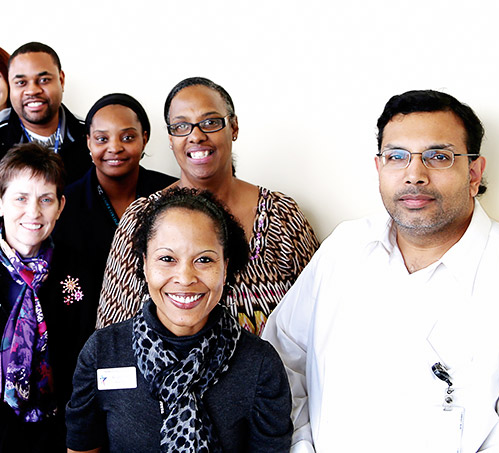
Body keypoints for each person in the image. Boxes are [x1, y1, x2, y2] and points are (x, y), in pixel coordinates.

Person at [261, 90, 499, 452]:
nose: (414, 175)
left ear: (474, 172)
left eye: (438, 157)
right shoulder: (344, 250)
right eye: (397, 157)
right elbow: (280, 364)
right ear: (379, 168)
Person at [66, 187, 292, 452]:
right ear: (145, 265)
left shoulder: (260, 364)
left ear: (225, 268)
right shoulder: (103, 352)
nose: (185, 278)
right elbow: (83, 448)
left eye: (204, 260)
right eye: (167, 259)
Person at [97, 77, 319, 334]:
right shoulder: (141, 219)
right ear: (170, 138)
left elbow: (319, 318)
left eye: (211, 122)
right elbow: (112, 333)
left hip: (269, 373)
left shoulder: (281, 216)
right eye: (181, 126)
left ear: (234, 127)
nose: (196, 136)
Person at [0, 143, 100, 452]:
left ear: (61, 206)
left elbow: (88, 357)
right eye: (20, 198)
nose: (33, 212)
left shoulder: (82, 268)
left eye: (45, 200)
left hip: (59, 432)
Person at [0, 42, 91, 225]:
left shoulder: (91, 137)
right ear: (10, 85)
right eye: (21, 83)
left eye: (44, 80)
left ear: (61, 80)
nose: (32, 90)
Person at [52, 93, 176, 282]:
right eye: (102, 139)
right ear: (88, 142)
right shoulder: (65, 204)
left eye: (127, 137)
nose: (115, 147)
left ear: (144, 138)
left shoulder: (172, 193)